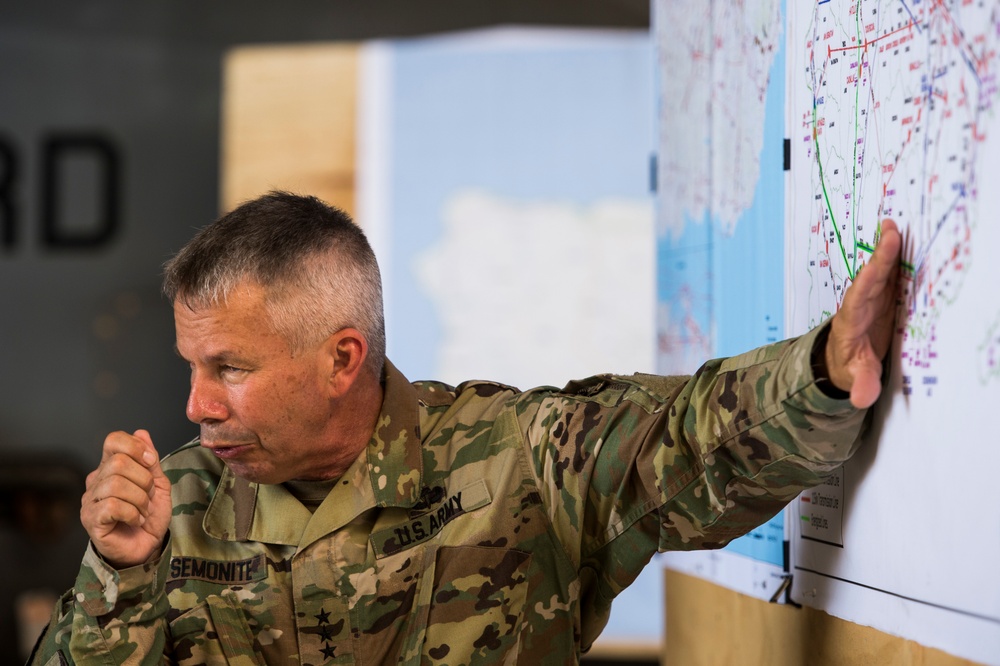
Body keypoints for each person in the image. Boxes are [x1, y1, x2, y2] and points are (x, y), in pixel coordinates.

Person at [29, 191, 902, 665]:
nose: (196, 407)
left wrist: (822, 373)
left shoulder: (511, 462)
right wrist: (120, 576)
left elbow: (681, 439)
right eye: (192, 367)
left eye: (231, 369)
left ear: (341, 359)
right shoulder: (170, 507)